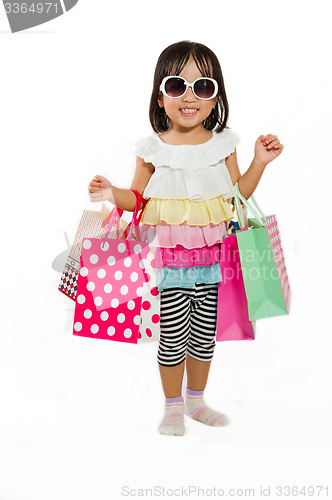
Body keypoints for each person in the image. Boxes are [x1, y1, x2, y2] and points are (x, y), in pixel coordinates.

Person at [88, 40, 284, 436]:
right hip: (170, 263)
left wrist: (258, 164)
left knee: (204, 336)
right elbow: (138, 198)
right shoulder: (151, 149)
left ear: (216, 100)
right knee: (173, 337)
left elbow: (237, 196)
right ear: (161, 98)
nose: (190, 97)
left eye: (203, 87)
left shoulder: (223, 145)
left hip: (213, 261)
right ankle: (173, 405)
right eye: (177, 86)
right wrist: (111, 192)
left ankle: (196, 401)